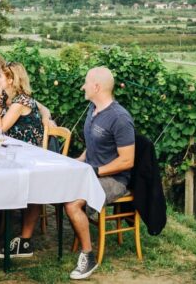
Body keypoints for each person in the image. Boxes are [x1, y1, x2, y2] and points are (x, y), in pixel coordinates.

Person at [64, 67, 135, 280]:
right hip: (92, 172)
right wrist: (78, 162)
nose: (82, 87)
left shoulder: (120, 118)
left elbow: (127, 160)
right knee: (58, 187)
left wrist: (94, 171)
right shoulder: (92, 109)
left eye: (86, 83)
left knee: (72, 202)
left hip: (114, 179)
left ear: (96, 86)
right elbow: (93, 145)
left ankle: (88, 255)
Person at [0, 61, 53, 260]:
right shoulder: (10, 100)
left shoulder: (20, 102)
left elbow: (0, 128)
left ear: (10, 79)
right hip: (14, 154)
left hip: (28, 158)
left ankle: (24, 240)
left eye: (0, 75)